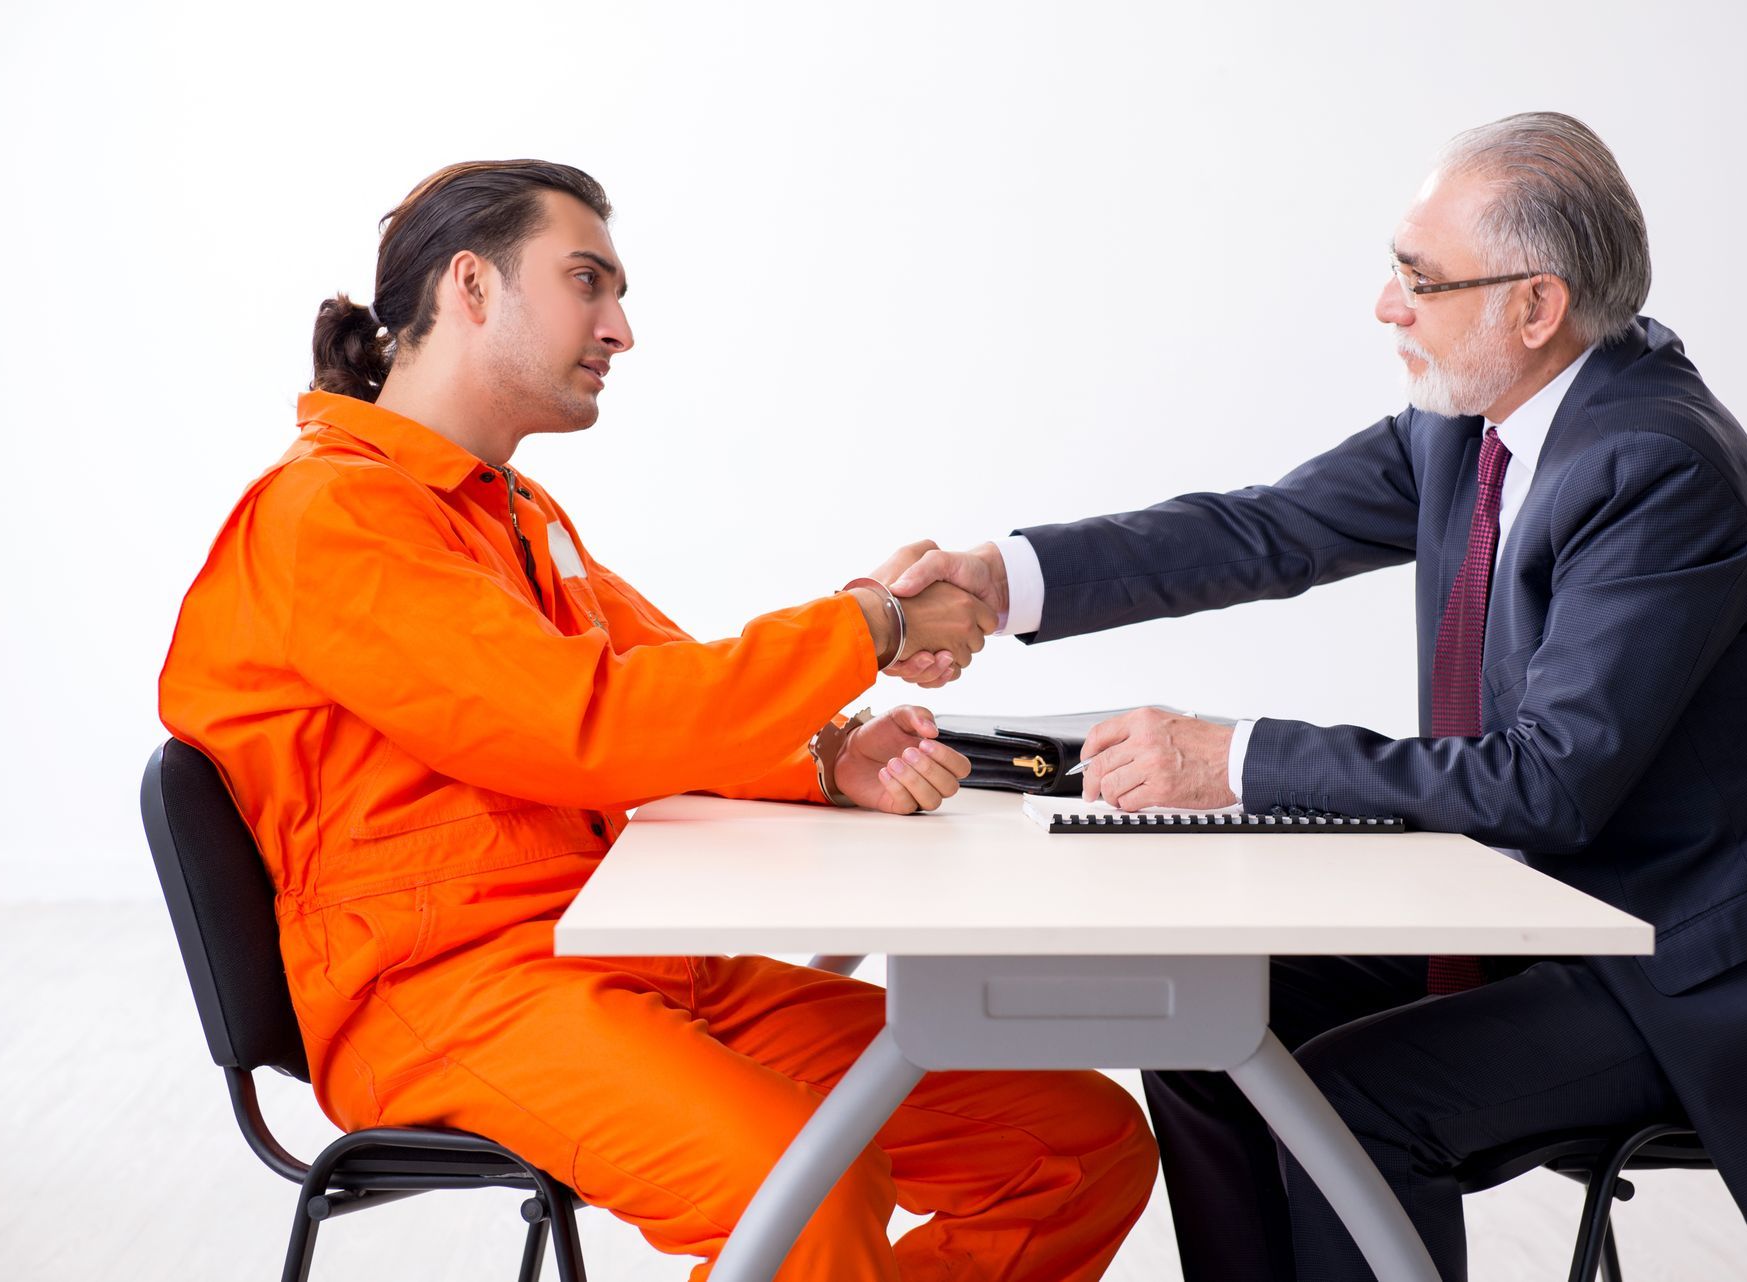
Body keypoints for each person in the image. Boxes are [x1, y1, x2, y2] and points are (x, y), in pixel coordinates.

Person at [882, 112, 1747, 1280]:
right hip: (1535, 918)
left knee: (1351, 1101)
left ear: (1537, 304)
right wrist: (1000, 580)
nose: (1385, 306)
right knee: (1202, 1028)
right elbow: (1262, 528)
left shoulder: (1658, 468)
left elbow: (1545, 781)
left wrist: (1234, 759)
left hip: (1680, 970)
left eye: (1419, 279)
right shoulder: (1477, 423)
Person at [158, 159, 1157, 1282]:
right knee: (801, 1198)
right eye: (588, 280)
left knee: (1075, 1144)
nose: (620, 327)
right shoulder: (332, 519)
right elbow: (589, 728)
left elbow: (672, 685)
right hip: (451, 995)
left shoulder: (514, 516)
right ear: (472, 286)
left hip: (629, 956)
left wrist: (830, 761)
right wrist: (868, 625)